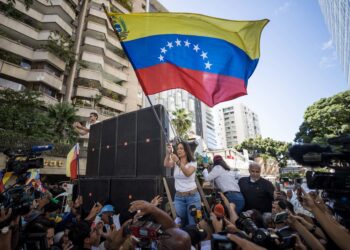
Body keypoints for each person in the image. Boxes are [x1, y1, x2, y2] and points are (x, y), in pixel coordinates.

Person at [164, 141, 201, 227]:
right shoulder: (176, 162)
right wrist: (167, 154)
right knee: (182, 223)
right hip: (179, 198)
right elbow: (166, 164)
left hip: (193, 197)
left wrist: (177, 161)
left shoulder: (193, 162)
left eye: (181, 148)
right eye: (177, 149)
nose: (178, 150)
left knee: (193, 224)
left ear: (187, 150)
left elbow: (188, 173)